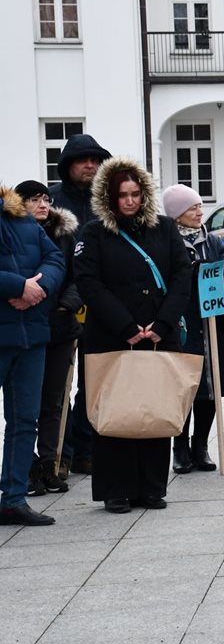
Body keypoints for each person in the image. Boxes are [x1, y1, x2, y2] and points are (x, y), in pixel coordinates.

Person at [74, 157, 191, 513]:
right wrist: (125, 326)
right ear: (109, 198)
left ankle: (152, 487)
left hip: (158, 334)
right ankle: (116, 488)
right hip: (112, 335)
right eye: (122, 195)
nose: (129, 201)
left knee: (155, 406)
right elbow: (89, 283)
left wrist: (163, 323)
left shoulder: (165, 228)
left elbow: (182, 276)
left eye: (135, 194)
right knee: (115, 409)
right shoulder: (94, 232)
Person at [163, 184, 224, 475]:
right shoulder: (167, 242)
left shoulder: (211, 241)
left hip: (212, 322)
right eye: (192, 207)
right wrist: (190, 273)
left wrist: (213, 274)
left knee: (211, 387)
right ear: (177, 214)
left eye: (200, 205)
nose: (200, 212)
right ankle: (180, 447)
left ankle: (201, 445)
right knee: (184, 387)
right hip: (183, 324)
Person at [0, 183, 65, 525]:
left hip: (31, 334)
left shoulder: (20, 218)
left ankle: (13, 499)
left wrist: (39, 287)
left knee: (25, 420)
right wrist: (18, 286)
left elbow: (55, 258)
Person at [14, 181, 81, 496]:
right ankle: (26, 466)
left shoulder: (64, 235)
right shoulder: (11, 234)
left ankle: (49, 465)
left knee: (54, 401)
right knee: (24, 404)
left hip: (60, 326)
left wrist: (67, 306)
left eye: (46, 199)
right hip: (24, 328)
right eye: (34, 199)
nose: (43, 204)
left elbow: (79, 276)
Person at [51, 133, 111, 478]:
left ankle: (85, 449)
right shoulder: (52, 203)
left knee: (95, 380)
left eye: (95, 160)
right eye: (82, 160)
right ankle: (60, 451)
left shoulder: (109, 201)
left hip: (102, 305)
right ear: (67, 165)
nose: (90, 165)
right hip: (62, 303)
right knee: (60, 383)